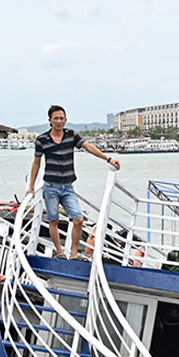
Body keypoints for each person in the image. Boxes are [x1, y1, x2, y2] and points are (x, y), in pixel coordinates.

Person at [26, 105, 120, 260]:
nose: (59, 121)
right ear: (50, 120)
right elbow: (36, 163)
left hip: (68, 187)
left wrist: (108, 159)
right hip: (50, 187)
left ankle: (74, 253)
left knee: (78, 219)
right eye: (55, 118)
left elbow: (88, 147)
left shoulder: (71, 135)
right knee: (53, 220)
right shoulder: (42, 139)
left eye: (61, 118)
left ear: (66, 120)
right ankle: (60, 252)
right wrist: (31, 187)